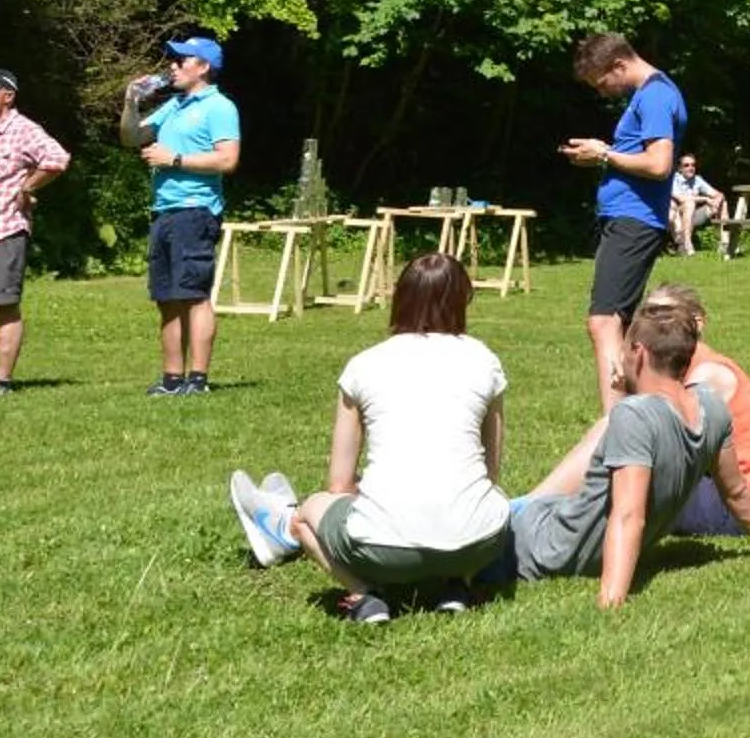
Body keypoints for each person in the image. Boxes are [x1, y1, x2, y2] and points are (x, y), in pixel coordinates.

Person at [226, 253, 509, 622]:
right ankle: (457, 585)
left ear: (400, 299)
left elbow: (339, 483)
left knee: (310, 511)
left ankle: (361, 593)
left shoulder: (364, 365)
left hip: (381, 548)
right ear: (461, 302)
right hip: (478, 543)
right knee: (491, 498)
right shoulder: (484, 360)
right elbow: (490, 473)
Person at [496, 298, 750, 608]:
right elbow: (737, 492)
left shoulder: (635, 416)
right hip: (553, 517)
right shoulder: (711, 407)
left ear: (639, 351)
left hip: (537, 545)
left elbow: (629, 516)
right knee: (533, 505)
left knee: (463, 533)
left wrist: (611, 599)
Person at [545, 282, 750, 538]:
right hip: (720, 493)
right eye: (650, 314)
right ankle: (540, 508)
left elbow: (661, 440)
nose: (656, 326)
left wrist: (629, 389)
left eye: (666, 314)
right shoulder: (681, 370)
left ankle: (533, 508)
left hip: (738, 510)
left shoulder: (707, 374)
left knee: (617, 461)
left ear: (698, 323)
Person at [563, 34, 682, 416]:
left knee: (603, 323)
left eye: (602, 82)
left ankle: (615, 430)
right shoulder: (645, 96)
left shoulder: (655, 95)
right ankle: (635, 419)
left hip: (635, 221)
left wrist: (605, 154)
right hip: (627, 219)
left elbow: (659, 164)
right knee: (622, 327)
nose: (602, 92)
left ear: (618, 65)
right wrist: (602, 155)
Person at [138, 37, 240, 397]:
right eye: (174, 60)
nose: (173, 66)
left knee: (193, 294)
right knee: (166, 296)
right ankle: (171, 380)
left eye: (182, 60)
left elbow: (228, 160)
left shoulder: (219, 107)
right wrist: (129, 101)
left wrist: (175, 159)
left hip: (195, 210)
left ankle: (197, 380)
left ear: (204, 67)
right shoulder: (174, 105)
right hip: (163, 210)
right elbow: (130, 136)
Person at [0, 69, 71, 396]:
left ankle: (2, 381)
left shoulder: (23, 130)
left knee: (4, 305)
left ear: (7, 96)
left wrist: (27, 186)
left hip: (3, 229)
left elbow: (57, 159)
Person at [667, 154, 725, 257]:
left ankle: (725, 243)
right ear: (680, 168)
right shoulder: (674, 179)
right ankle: (687, 244)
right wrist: (706, 199)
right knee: (689, 204)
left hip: (692, 216)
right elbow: (682, 199)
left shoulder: (697, 180)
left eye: (693, 165)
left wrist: (717, 200)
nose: (691, 168)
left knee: (723, 203)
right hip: (676, 217)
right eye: (686, 165)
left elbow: (718, 193)